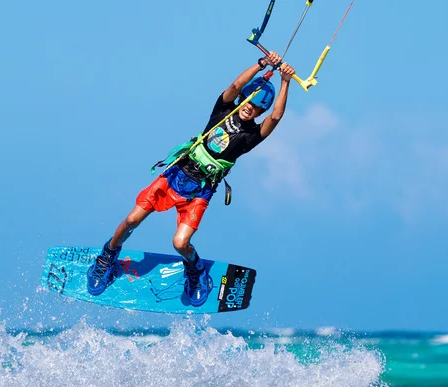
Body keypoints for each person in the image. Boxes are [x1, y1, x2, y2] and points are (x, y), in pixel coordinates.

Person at [87, 51, 295, 306]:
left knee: (180, 243)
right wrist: (262, 63)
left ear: (259, 111)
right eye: (248, 101)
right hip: (175, 174)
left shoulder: (251, 137)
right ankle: (107, 256)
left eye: (256, 107)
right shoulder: (223, 111)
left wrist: (285, 81)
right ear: (243, 98)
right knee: (131, 220)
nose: (249, 108)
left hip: (200, 190)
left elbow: (276, 117)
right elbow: (235, 85)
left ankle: (196, 272)